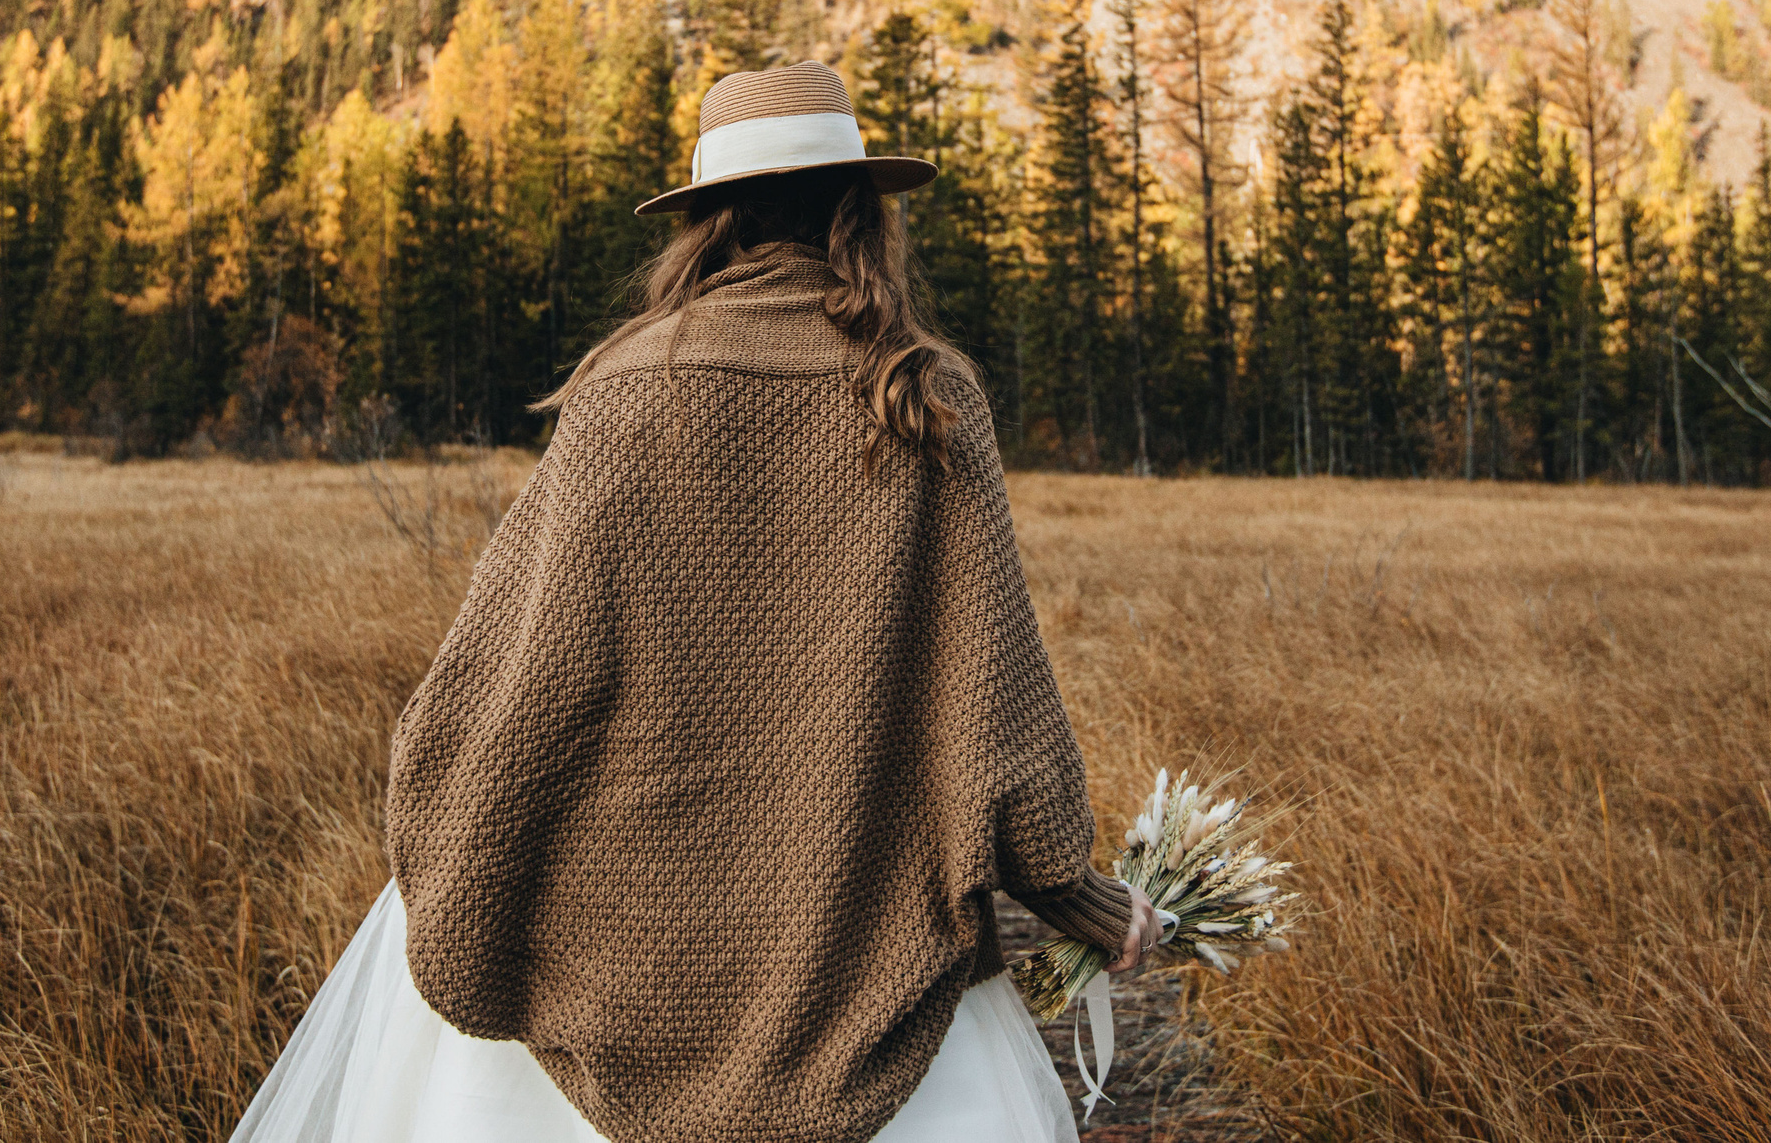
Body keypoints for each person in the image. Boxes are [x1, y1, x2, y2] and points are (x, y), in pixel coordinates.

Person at [228, 61, 1160, 1143]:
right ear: (863, 209)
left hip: (619, 957)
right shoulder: (925, 394)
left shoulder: (623, 388)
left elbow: (504, 692)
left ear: (706, 219)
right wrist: (1081, 900)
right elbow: (998, 720)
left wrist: (459, 866)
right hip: (869, 964)